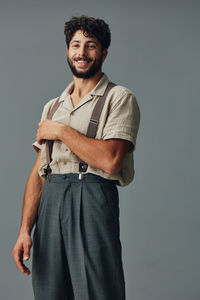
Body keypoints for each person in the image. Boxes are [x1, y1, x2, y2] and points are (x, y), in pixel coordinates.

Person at [12, 15, 140, 300]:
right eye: (75, 45)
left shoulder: (119, 98)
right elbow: (39, 172)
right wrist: (24, 230)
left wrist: (61, 131)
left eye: (91, 46)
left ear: (103, 53)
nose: (81, 53)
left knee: (98, 291)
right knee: (49, 291)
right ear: (68, 51)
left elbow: (110, 160)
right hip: (51, 202)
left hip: (92, 196)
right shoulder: (52, 106)